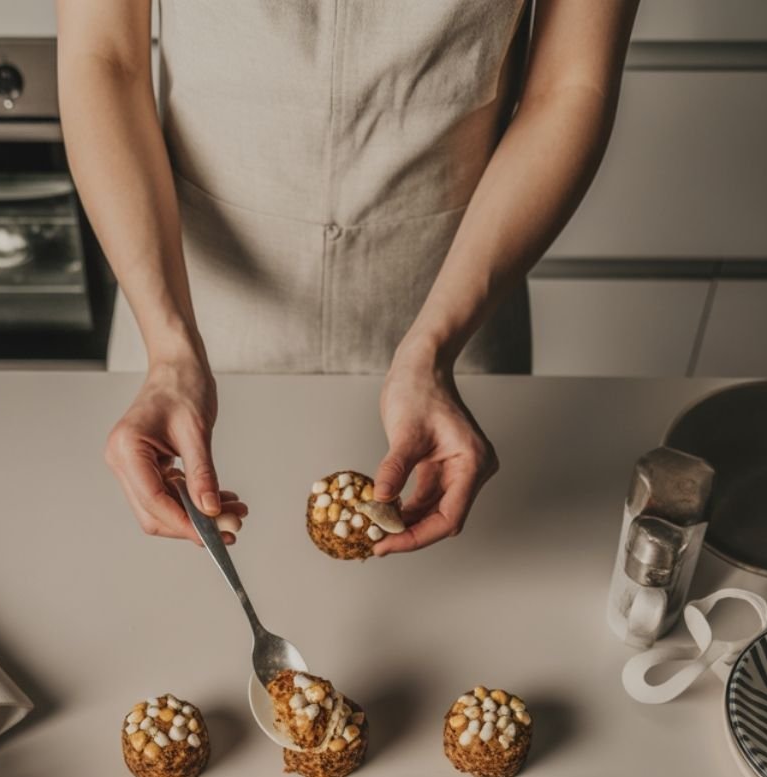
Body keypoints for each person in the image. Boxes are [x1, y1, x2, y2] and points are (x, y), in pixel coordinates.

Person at [57, 0, 638, 554]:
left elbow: (570, 86)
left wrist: (435, 345)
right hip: (186, 306)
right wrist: (167, 348)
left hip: (452, 306)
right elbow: (105, 58)